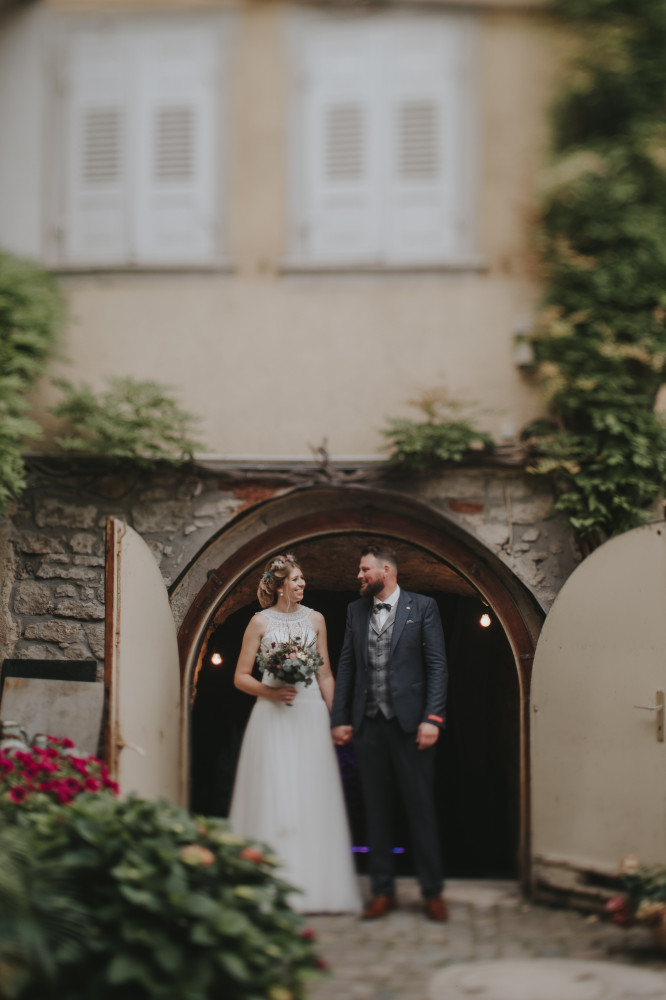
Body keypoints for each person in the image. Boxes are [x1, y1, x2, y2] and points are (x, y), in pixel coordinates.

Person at [228, 553, 361, 914]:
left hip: (310, 712)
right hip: (272, 714)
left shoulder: (316, 619)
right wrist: (270, 692)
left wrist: (337, 718)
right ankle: (268, 882)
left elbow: (325, 674)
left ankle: (314, 885)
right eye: (297, 579)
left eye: (303, 578)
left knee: (310, 790)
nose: (303, 583)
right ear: (279, 585)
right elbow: (240, 676)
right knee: (275, 790)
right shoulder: (259, 622)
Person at [331, 543, 449, 921]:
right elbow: (347, 666)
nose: (359, 575)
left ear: (386, 571)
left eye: (364, 569)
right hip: (368, 725)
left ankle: (432, 892)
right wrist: (340, 718)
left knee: (421, 809)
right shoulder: (355, 611)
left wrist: (433, 718)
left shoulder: (423, 607)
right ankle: (382, 891)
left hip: (411, 726)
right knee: (376, 811)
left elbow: (437, 666)